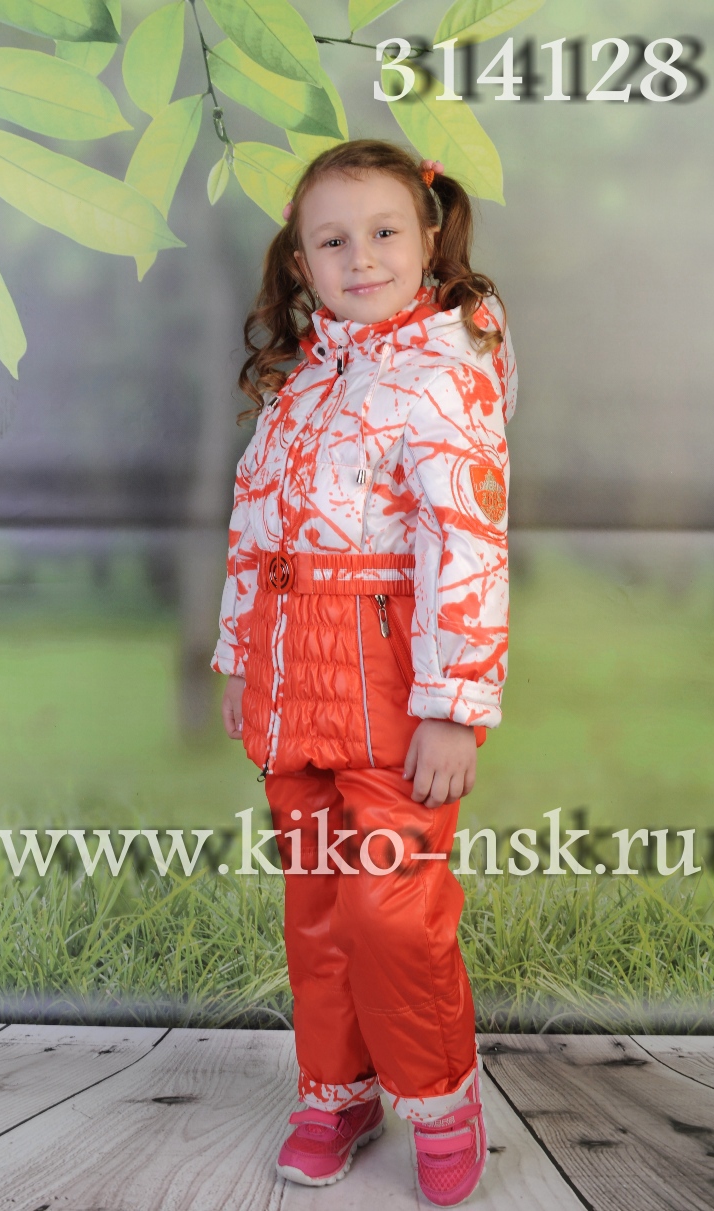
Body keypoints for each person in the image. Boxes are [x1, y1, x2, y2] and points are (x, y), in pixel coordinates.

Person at [211, 138, 517, 1208]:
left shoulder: (445, 374)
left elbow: (467, 545)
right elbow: (253, 533)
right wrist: (240, 656)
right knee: (320, 904)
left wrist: (454, 707)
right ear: (301, 263)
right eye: (332, 241)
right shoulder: (300, 385)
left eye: (384, 231)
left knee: (392, 909)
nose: (362, 256)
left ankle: (438, 1097)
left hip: (395, 677)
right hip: (292, 670)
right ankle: (336, 1092)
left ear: (428, 238)